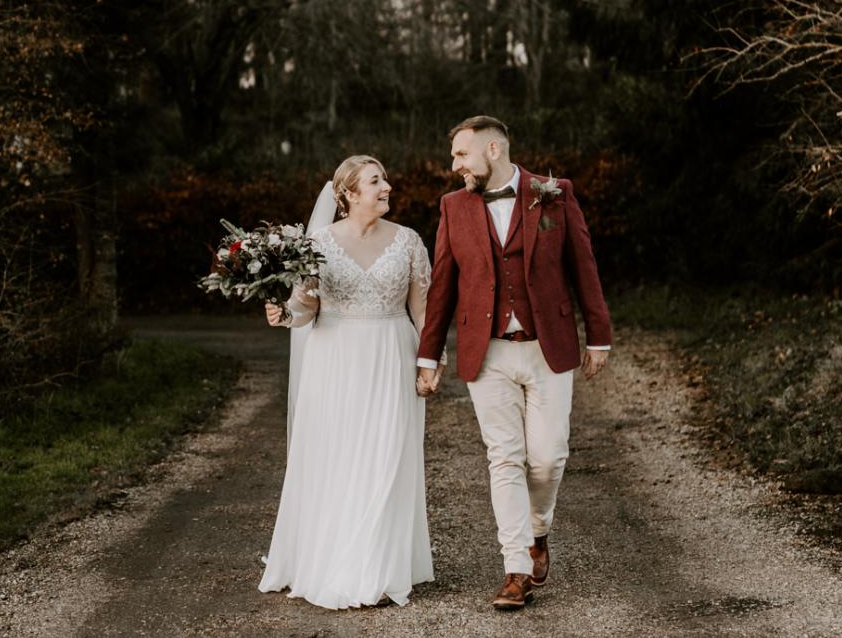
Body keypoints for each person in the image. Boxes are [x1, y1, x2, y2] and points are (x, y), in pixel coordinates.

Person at [417, 116, 611, 611]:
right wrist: (429, 353)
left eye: (462, 154)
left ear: (494, 149)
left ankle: (538, 531)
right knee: (504, 457)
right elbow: (442, 286)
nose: (454, 165)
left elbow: (582, 266)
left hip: (549, 345)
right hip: (489, 352)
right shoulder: (453, 207)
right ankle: (516, 569)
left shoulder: (554, 194)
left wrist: (599, 337)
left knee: (548, 456)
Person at [260, 155, 436, 610]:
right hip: (333, 360)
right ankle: (335, 561)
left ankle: (378, 567)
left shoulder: (409, 242)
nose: (387, 188)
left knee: (386, 456)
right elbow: (306, 308)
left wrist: (430, 361)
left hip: (391, 357)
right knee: (336, 457)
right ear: (350, 194)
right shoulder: (318, 243)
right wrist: (283, 315)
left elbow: (424, 312)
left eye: (385, 180)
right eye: (376, 181)